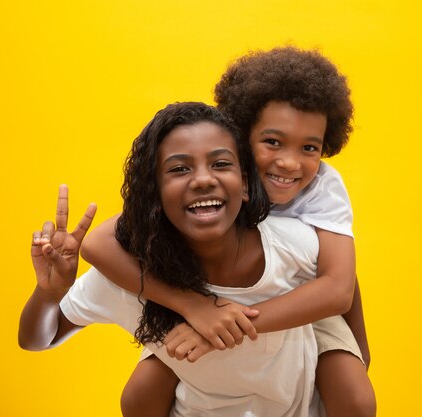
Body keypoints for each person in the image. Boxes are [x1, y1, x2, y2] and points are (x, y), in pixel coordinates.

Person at [83, 47, 376, 417]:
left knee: (357, 401)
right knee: (138, 397)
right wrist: (195, 308)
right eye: (272, 142)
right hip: (211, 296)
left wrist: (359, 346)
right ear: (240, 133)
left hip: (302, 302)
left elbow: (339, 286)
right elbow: (96, 244)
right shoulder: (217, 175)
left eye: (309, 147)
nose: (289, 162)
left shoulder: (323, 187)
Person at [19, 102, 338, 416]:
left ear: (244, 183)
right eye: (179, 169)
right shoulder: (132, 276)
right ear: (154, 194)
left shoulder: (292, 247)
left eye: (220, 164)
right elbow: (37, 340)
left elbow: (339, 287)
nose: (202, 180)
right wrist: (49, 293)